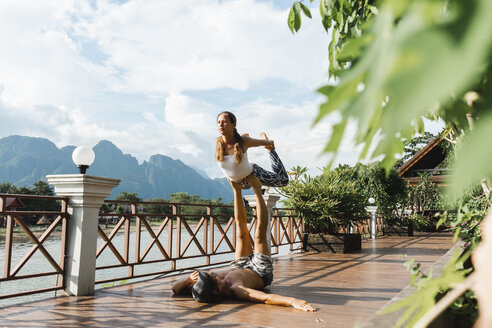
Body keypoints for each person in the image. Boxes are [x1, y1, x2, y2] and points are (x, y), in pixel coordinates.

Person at [171, 174, 316, 311]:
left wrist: (188, 280)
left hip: (239, 266)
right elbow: (265, 298)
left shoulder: (202, 287)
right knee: (259, 233)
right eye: (209, 276)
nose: (208, 272)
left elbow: (175, 289)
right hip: (259, 271)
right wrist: (293, 301)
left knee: (241, 232)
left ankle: (236, 189)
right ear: (216, 288)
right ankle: (258, 190)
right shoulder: (237, 289)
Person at [215, 111, 289, 189]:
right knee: (245, 187)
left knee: (284, 181)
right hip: (241, 182)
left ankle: (269, 150)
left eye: (224, 122)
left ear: (233, 124)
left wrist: (268, 143)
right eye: (219, 122)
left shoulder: (244, 141)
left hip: (253, 173)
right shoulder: (218, 142)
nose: (220, 125)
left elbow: (270, 142)